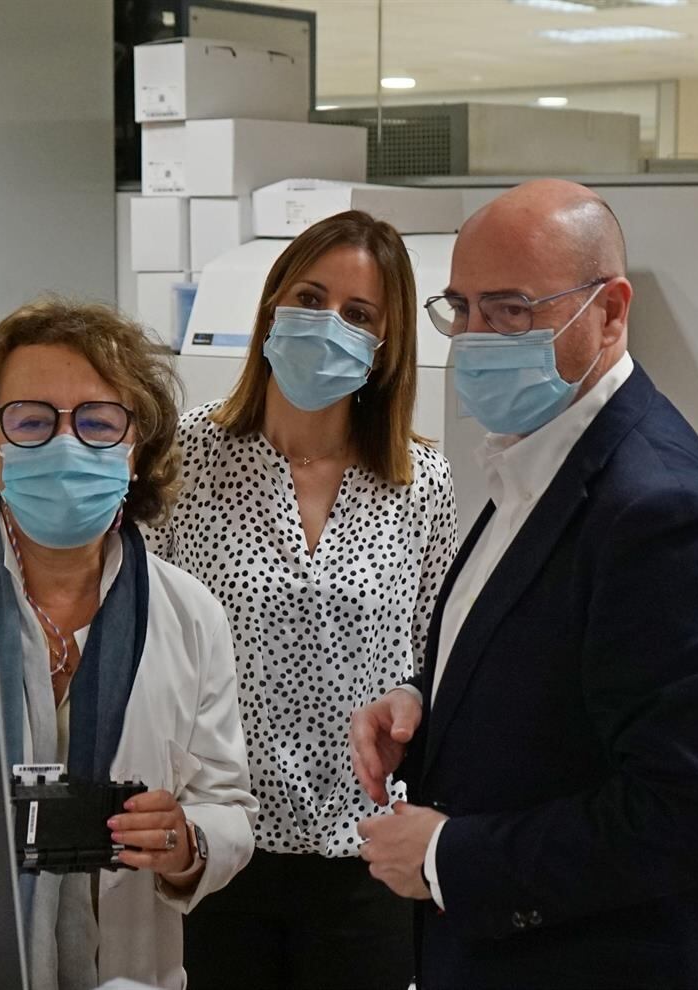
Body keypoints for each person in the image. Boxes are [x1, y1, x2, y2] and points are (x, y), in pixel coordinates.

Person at [349, 179, 698, 988]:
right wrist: (430, 703)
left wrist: (448, 854)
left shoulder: (663, 510)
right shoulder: (536, 458)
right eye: (461, 308)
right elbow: (562, 673)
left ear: (611, 312)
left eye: (510, 310)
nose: (475, 338)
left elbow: (683, 814)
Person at [0, 298, 257, 990]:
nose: (68, 446)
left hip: (126, 968)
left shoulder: (189, 614)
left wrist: (187, 841)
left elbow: (228, 806)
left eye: (97, 422)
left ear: (134, 449)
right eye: (31, 421)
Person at [150, 211, 457, 989]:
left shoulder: (421, 484)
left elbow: (438, 658)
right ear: (271, 310)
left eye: (358, 315)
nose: (330, 326)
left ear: (385, 351)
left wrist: (412, 704)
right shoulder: (184, 461)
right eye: (312, 300)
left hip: (364, 858)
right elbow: (140, 644)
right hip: (219, 848)